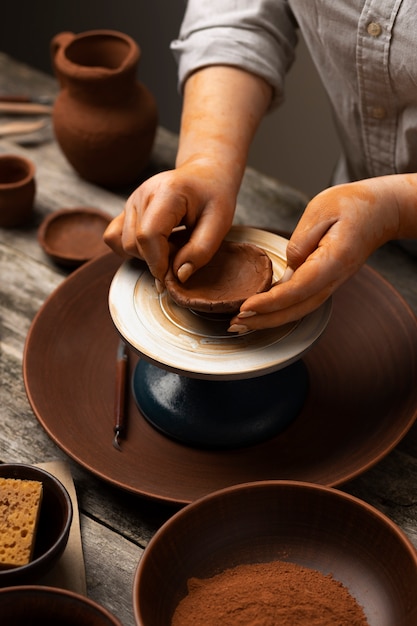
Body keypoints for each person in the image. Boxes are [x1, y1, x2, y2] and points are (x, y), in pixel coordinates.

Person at [104, 1, 417, 332]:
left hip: (369, 214)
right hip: (351, 226)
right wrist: (207, 160)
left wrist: (397, 206)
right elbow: (235, 18)